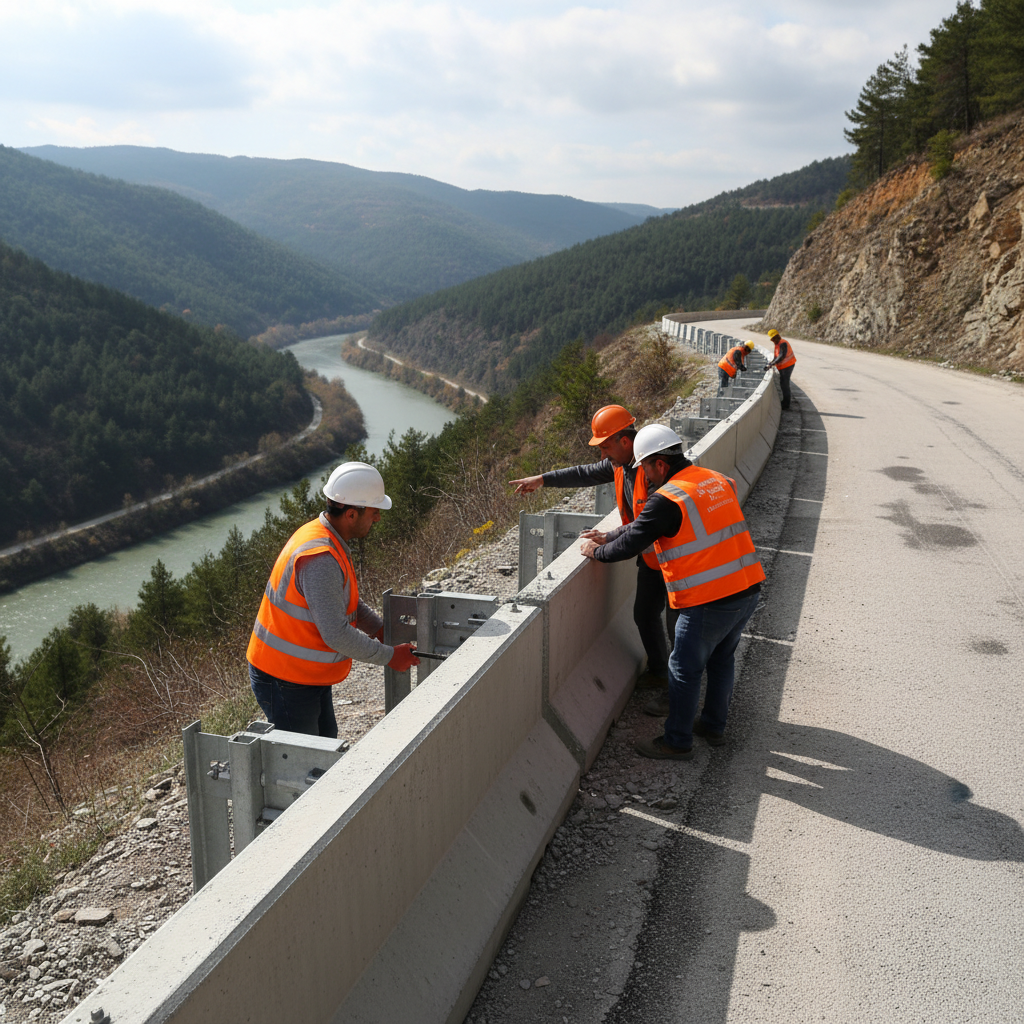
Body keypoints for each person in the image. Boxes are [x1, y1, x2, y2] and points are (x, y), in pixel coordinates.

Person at [579, 424, 764, 760]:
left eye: (646, 469)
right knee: (721, 659)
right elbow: (644, 526)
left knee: (683, 669)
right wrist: (609, 534)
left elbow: (632, 544)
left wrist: (597, 551)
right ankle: (713, 726)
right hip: (747, 588)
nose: (644, 477)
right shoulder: (715, 479)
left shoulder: (666, 498)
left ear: (660, 464)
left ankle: (677, 742)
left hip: (710, 598)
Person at [246, 461, 419, 737]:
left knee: (325, 745)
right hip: (284, 677)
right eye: (374, 512)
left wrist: (378, 628)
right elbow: (336, 633)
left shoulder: (326, 537)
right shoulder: (321, 558)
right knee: (305, 759)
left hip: (302, 672)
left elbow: (342, 602)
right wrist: (389, 657)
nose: (377, 519)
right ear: (351, 514)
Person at [509, 405, 676, 689]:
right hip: (652, 560)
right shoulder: (619, 464)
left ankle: (677, 692)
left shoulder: (652, 471)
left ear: (626, 441)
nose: (602, 456)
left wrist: (608, 539)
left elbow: (647, 526)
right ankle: (661, 674)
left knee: (677, 627)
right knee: (645, 614)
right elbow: (584, 473)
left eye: (606, 447)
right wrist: (543, 479)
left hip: (677, 559)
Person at [766, 329, 796, 410]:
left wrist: (773, 363)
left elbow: (781, 356)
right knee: (782, 383)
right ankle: (784, 402)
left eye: (774, 338)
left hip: (788, 366)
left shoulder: (783, 343)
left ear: (777, 336)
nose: (773, 340)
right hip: (783, 367)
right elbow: (776, 357)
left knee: (785, 384)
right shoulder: (777, 344)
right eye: (772, 339)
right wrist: (770, 364)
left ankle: (786, 404)